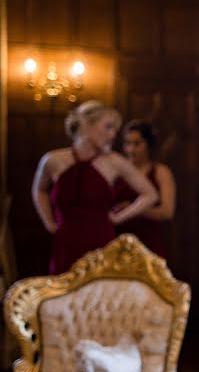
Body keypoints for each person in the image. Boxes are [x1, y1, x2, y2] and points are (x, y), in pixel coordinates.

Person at [32, 101, 159, 274]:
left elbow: (150, 194)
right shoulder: (52, 160)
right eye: (108, 127)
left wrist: (118, 218)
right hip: (65, 239)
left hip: (101, 240)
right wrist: (48, 222)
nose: (113, 134)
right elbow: (39, 190)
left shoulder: (114, 162)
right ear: (87, 125)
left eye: (114, 129)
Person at [112, 120, 176, 259]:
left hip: (148, 240)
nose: (131, 149)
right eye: (127, 143)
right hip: (117, 238)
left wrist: (133, 209)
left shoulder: (160, 172)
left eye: (137, 143)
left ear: (148, 144)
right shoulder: (116, 170)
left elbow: (167, 212)